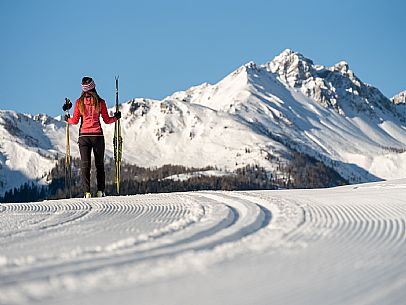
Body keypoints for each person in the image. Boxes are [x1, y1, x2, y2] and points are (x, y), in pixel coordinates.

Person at [63, 77, 121, 198]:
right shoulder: (101, 102)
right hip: (97, 136)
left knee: (85, 165)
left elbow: (74, 121)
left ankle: (87, 192)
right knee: (99, 165)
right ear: (94, 87)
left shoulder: (79, 102)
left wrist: (66, 118)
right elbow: (107, 120)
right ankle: (100, 191)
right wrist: (116, 117)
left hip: (84, 136)